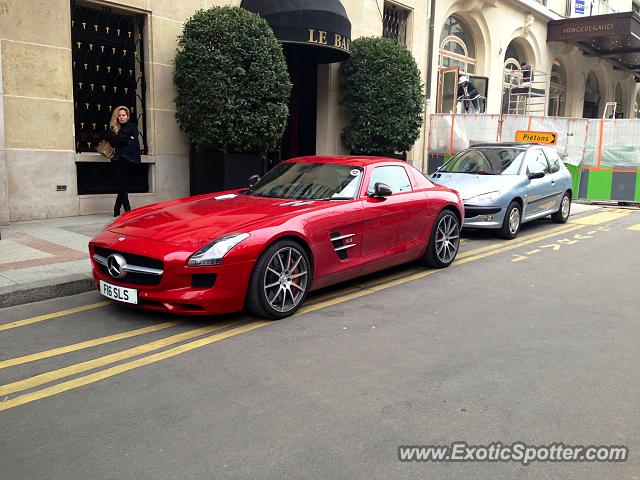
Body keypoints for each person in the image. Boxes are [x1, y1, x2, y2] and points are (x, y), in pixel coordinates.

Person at [102, 106, 141, 216]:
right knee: (122, 185)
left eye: (123, 115)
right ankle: (128, 211)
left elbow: (134, 142)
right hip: (116, 160)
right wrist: (127, 138)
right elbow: (113, 142)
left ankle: (116, 208)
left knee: (123, 186)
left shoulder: (132, 127)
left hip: (128, 160)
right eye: (119, 115)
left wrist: (120, 138)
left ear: (128, 117)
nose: (121, 117)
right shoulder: (113, 128)